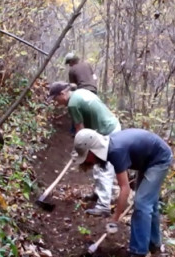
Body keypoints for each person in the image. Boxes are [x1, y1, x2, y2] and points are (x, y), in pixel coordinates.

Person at [72, 128, 173, 257]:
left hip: (159, 160)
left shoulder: (115, 151)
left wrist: (115, 219)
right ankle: (154, 244)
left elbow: (124, 188)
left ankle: (138, 254)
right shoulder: (111, 147)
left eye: (85, 155)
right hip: (148, 160)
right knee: (149, 201)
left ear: (92, 150)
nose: (86, 160)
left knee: (142, 202)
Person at [48, 81, 121, 217]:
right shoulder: (80, 93)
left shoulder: (73, 104)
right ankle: (99, 194)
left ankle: (104, 206)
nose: (56, 102)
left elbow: (80, 131)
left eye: (56, 98)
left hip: (107, 132)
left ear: (62, 93)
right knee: (98, 165)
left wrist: (79, 149)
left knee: (103, 168)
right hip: (111, 126)